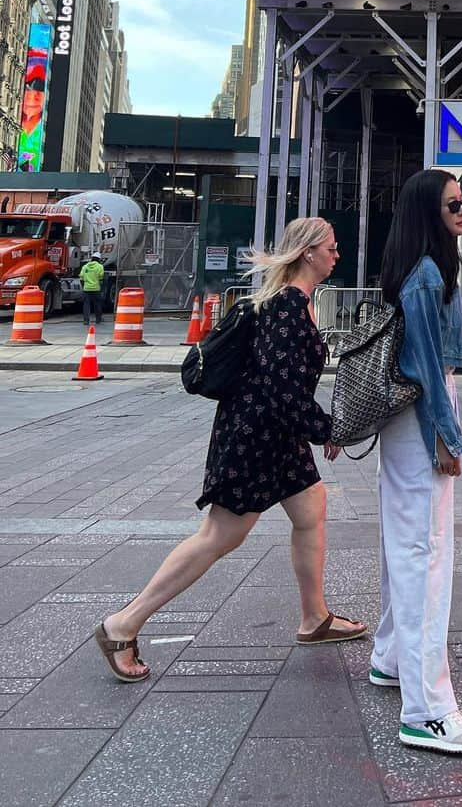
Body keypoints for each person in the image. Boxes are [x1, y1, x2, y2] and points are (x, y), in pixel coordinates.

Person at [92, 217, 366, 683]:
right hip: (255, 440)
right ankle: (123, 624)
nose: (337, 255)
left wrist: (315, 429)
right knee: (219, 536)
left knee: (311, 510)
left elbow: (282, 384)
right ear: (308, 254)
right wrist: (328, 429)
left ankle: (314, 617)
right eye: (332, 248)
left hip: (275, 438)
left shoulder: (292, 303)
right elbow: (282, 388)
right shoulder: (286, 308)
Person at [373, 169, 462, 755]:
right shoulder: (426, 275)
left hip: (406, 424)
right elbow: (424, 368)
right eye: (453, 205)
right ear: (428, 212)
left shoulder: (417, 269)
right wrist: (447, 437)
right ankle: (427, 709)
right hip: (422, 419)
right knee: (426, 557)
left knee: (406, 547)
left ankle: (391, 659)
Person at [79, 251, 105, 328]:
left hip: (86, 289)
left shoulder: (85, 267)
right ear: (99, 259)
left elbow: (81, 278)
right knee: (97, 304)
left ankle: (86, 320)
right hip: (96, 289)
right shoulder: (100, 267)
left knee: (86, 305)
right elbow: (101, 278)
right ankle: (98, 319)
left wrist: (84, 286)